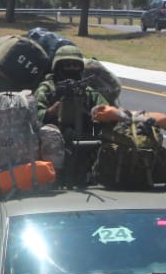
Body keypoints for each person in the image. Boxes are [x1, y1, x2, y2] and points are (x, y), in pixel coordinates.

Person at [34, 44, 110, 186]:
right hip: (54, 147)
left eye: (75, 66)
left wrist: (101, 114)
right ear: (57, 67)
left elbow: (106, 109)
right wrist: (52, 111)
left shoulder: (87, 91)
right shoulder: (47, 88)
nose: (71, 69)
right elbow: (34, 115)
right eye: (67, 65)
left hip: (86, 145)